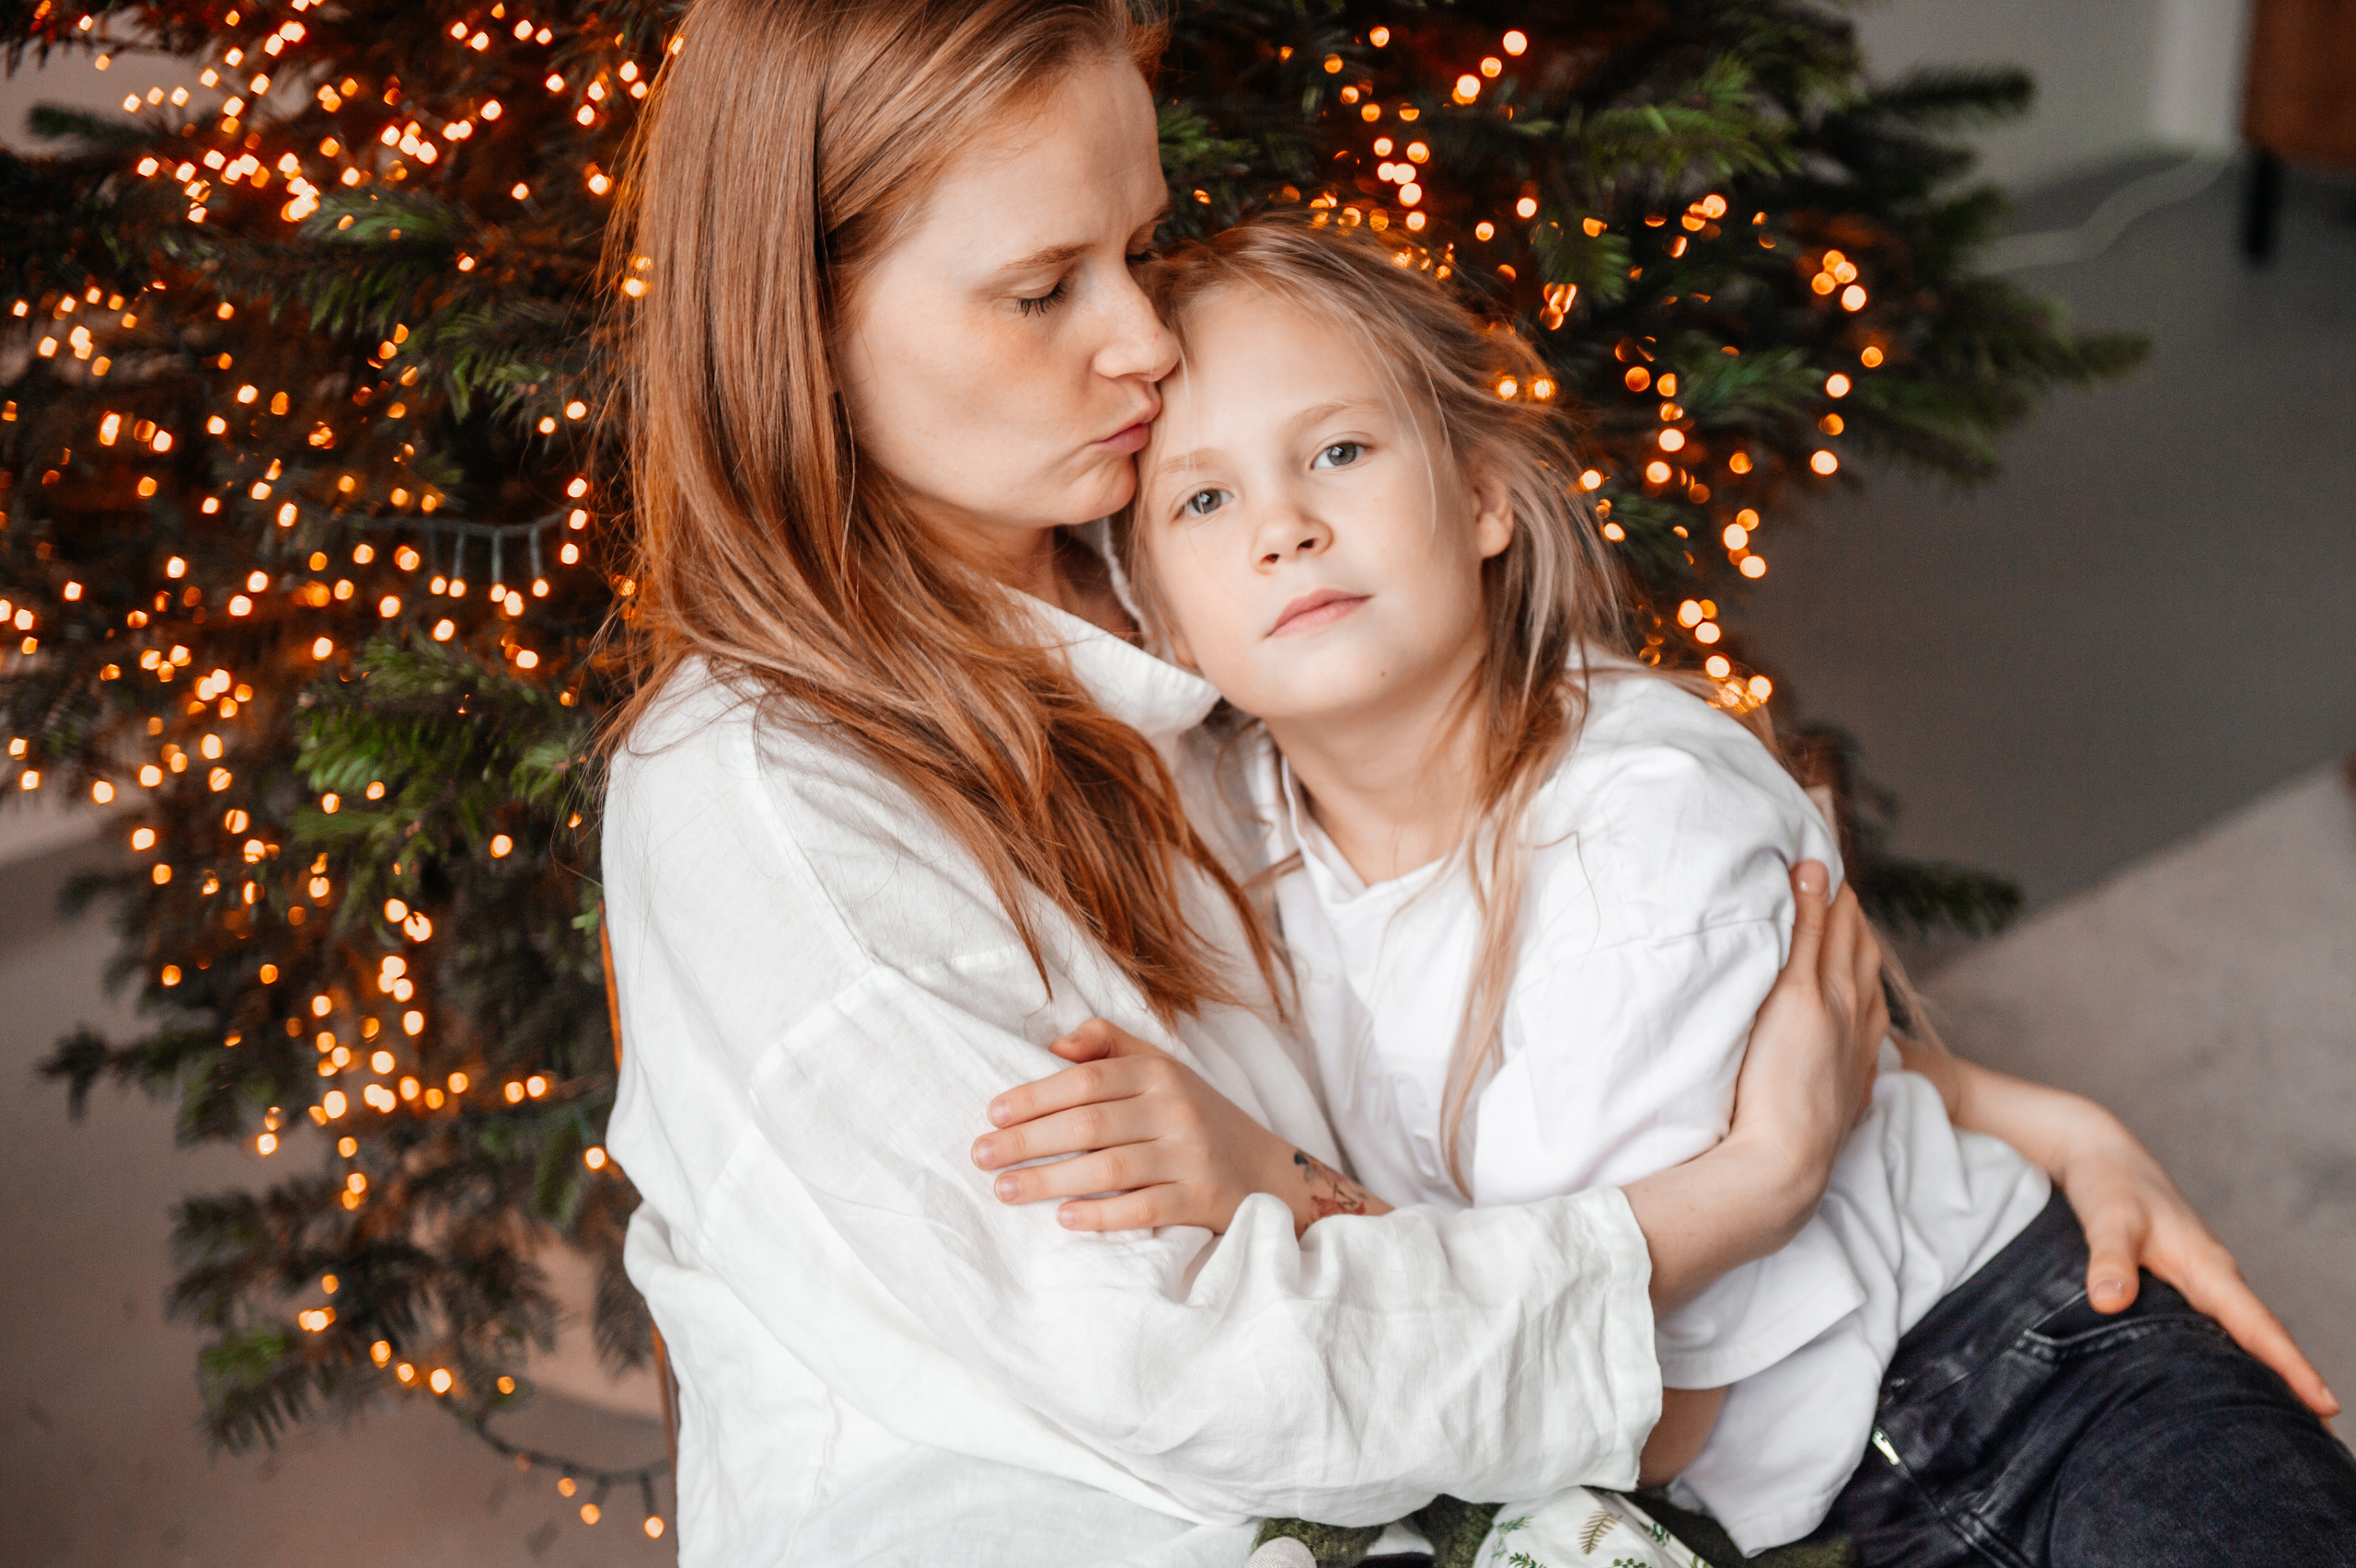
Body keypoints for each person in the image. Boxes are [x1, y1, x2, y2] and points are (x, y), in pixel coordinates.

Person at [602, 3, 2330, 1563]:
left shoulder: (1174, 600)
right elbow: (1213, 1367)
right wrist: (1740, 1195)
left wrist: (2011, 1114)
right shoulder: (771, 805)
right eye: (1043, 287)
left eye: (1138, 249)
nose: (1142, 343)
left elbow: (1640, 986)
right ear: (802, 325)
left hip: (1890, 1393)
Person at [999, 215, 2356, 1565]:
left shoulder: (1645, 831)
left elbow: (1626, 1410)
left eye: (1340, 451)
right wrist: (2052, 1114)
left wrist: (1274, 1180)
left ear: (1483, 496)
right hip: (1797, 1517)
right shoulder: (1230, 828)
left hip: (2028, 1383)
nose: (1285, 529)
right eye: (1203, 501)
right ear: (1161, 623)